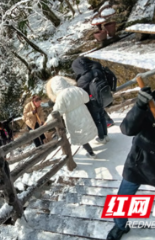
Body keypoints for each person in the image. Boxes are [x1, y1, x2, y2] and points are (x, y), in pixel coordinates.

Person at [106, 87, 155, 240]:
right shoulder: (150, 101)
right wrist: (139, 106)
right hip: (138, 162)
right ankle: (120, 226)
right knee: (123, 198)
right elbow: (126, 129)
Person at [45, 75, 98, 158]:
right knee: (87, 129)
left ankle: (91, 153)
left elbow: (56, 112)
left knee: (80, 135)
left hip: (72, 119)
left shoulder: (60, 97)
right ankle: (91, 149)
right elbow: (87, 99)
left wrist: (47, 122)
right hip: (84, 114)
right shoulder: (76, 89)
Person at [71, 57, 110, 144]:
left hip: (92, 101)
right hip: (101, 98)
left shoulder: (83, 78)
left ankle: (101, 138)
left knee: (97, 120)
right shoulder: (97, 70)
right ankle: (106, 135)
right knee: (102, 117)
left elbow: (81, 92)